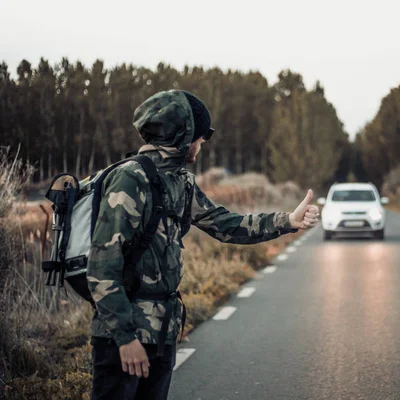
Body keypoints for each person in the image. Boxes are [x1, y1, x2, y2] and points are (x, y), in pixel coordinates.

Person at [87, 90, 320, 400]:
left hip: (162, 333)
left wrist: (288, 220)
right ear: (181, 134)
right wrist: (125, 338)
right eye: (200, 134)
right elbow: (102, 267)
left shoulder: (181, 181)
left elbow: (226, 225)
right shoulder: (130, 179)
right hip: (123, 339)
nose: (203, 142)